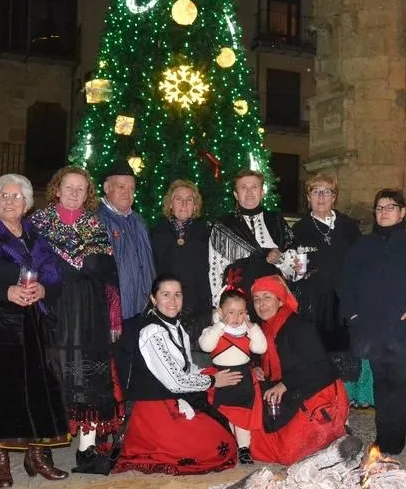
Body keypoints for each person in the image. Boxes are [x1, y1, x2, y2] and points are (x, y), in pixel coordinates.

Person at [0, 174, 70, 488]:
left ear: (27, 204)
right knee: (3, 389)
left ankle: (37, 455)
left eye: (17, 196)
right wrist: (5, 290)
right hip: (0, 320)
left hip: (35, 322)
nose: (10, 201)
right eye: (4, 196)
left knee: (40, 386)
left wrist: (43, 290)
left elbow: (54, 273)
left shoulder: (36, 237)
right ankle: (1, 460)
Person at [30, 166, 123, 474]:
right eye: (68, 187)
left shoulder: (95, 225)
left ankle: (87, 450)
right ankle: (40, 451)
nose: (73, 193)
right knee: (51, 378)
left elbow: (108, 274)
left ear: (88, 194)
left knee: (88, 379)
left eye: (80, 189)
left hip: (89, 314)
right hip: (52, 312)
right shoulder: (38, 224)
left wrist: (113, 315)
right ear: (57, 189)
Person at [340, 188, 406, 456]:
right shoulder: (363, 245)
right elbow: (347, 283)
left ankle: (392, 441)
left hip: (403, 327)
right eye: (380, 208)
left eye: (390, 207)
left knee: (397, 383)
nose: (384, 212)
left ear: (402, 212)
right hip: (371, 327)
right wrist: (353, 315)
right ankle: (384, 437)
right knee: (380, 382)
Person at [114, 275, 242, 474]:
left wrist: (213, 373)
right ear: (154, 299)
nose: (172, 301)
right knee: (219, 448)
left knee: (222, 438)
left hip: (170, 399)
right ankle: (142, 441)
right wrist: (213, 380)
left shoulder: (177, 327)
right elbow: (175, 382)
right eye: (166, 295)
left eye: (177, 295)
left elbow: (186, 367)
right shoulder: (153, 331)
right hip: (153, 407)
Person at [249, 275, 350, 465]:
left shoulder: (299, 327)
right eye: (257, 299)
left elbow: (321, 368)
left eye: (267, 297)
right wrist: (256, 369)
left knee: (291, 455)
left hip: (318, 392)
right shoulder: (264, 329)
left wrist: (285, 384)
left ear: (280, 300)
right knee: (263, 447)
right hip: (294, 392)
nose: (261, 304)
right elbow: (259, 359)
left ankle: (337, 436)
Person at [290, 173, 366, 405]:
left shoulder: (350, 227)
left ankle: (343, 412)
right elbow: (293, 272)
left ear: (335, 197)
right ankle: (320, 411)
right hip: (313, 304)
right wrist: (292, 267)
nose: (321, 196)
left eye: (327, 192)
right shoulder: (298, 229)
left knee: (344, 361)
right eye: (316, 191)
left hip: (345, 304)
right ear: (308, 197)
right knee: (316, 359)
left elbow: (362, 263)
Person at [209, 169, 299, 318]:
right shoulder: (223, 226)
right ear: (236, 194)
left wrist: (280, 259)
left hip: (272, 304)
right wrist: (219, 306)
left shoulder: (276, 221)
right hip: (238, 304)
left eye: (254, 187)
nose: (249, 192)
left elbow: (295, 265)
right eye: (243, 187)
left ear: (262, 192)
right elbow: (215, 270)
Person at [99, 160, 156, 392]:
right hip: (113, 314)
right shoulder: (97, 220)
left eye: (131, 188)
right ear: (106, 188)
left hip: (140, 310)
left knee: (135, 368)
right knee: (113, 373)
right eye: (121, 186)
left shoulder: (138, 221)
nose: (127, 193)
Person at [198, 289, 267, 464]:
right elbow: (206, 346)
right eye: (230, 312)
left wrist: (254, 329)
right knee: (225, 413)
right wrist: (220, 325)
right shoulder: (213, 330)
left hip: (243, 378)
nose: (236, 317)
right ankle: (230, 445)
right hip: (221, 377)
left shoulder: (248, 331)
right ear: (220, 312)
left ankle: (244, 449)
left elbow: (260, 349)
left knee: (243, 416)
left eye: (241, 313)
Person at [151, 180, 212, 348]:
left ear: (195, 205)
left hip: (197, 307)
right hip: (166, 305)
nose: (184, 204)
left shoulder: (206, 233)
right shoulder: (156, 232)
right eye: (178, 199)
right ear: (170, 204)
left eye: (189, 199)